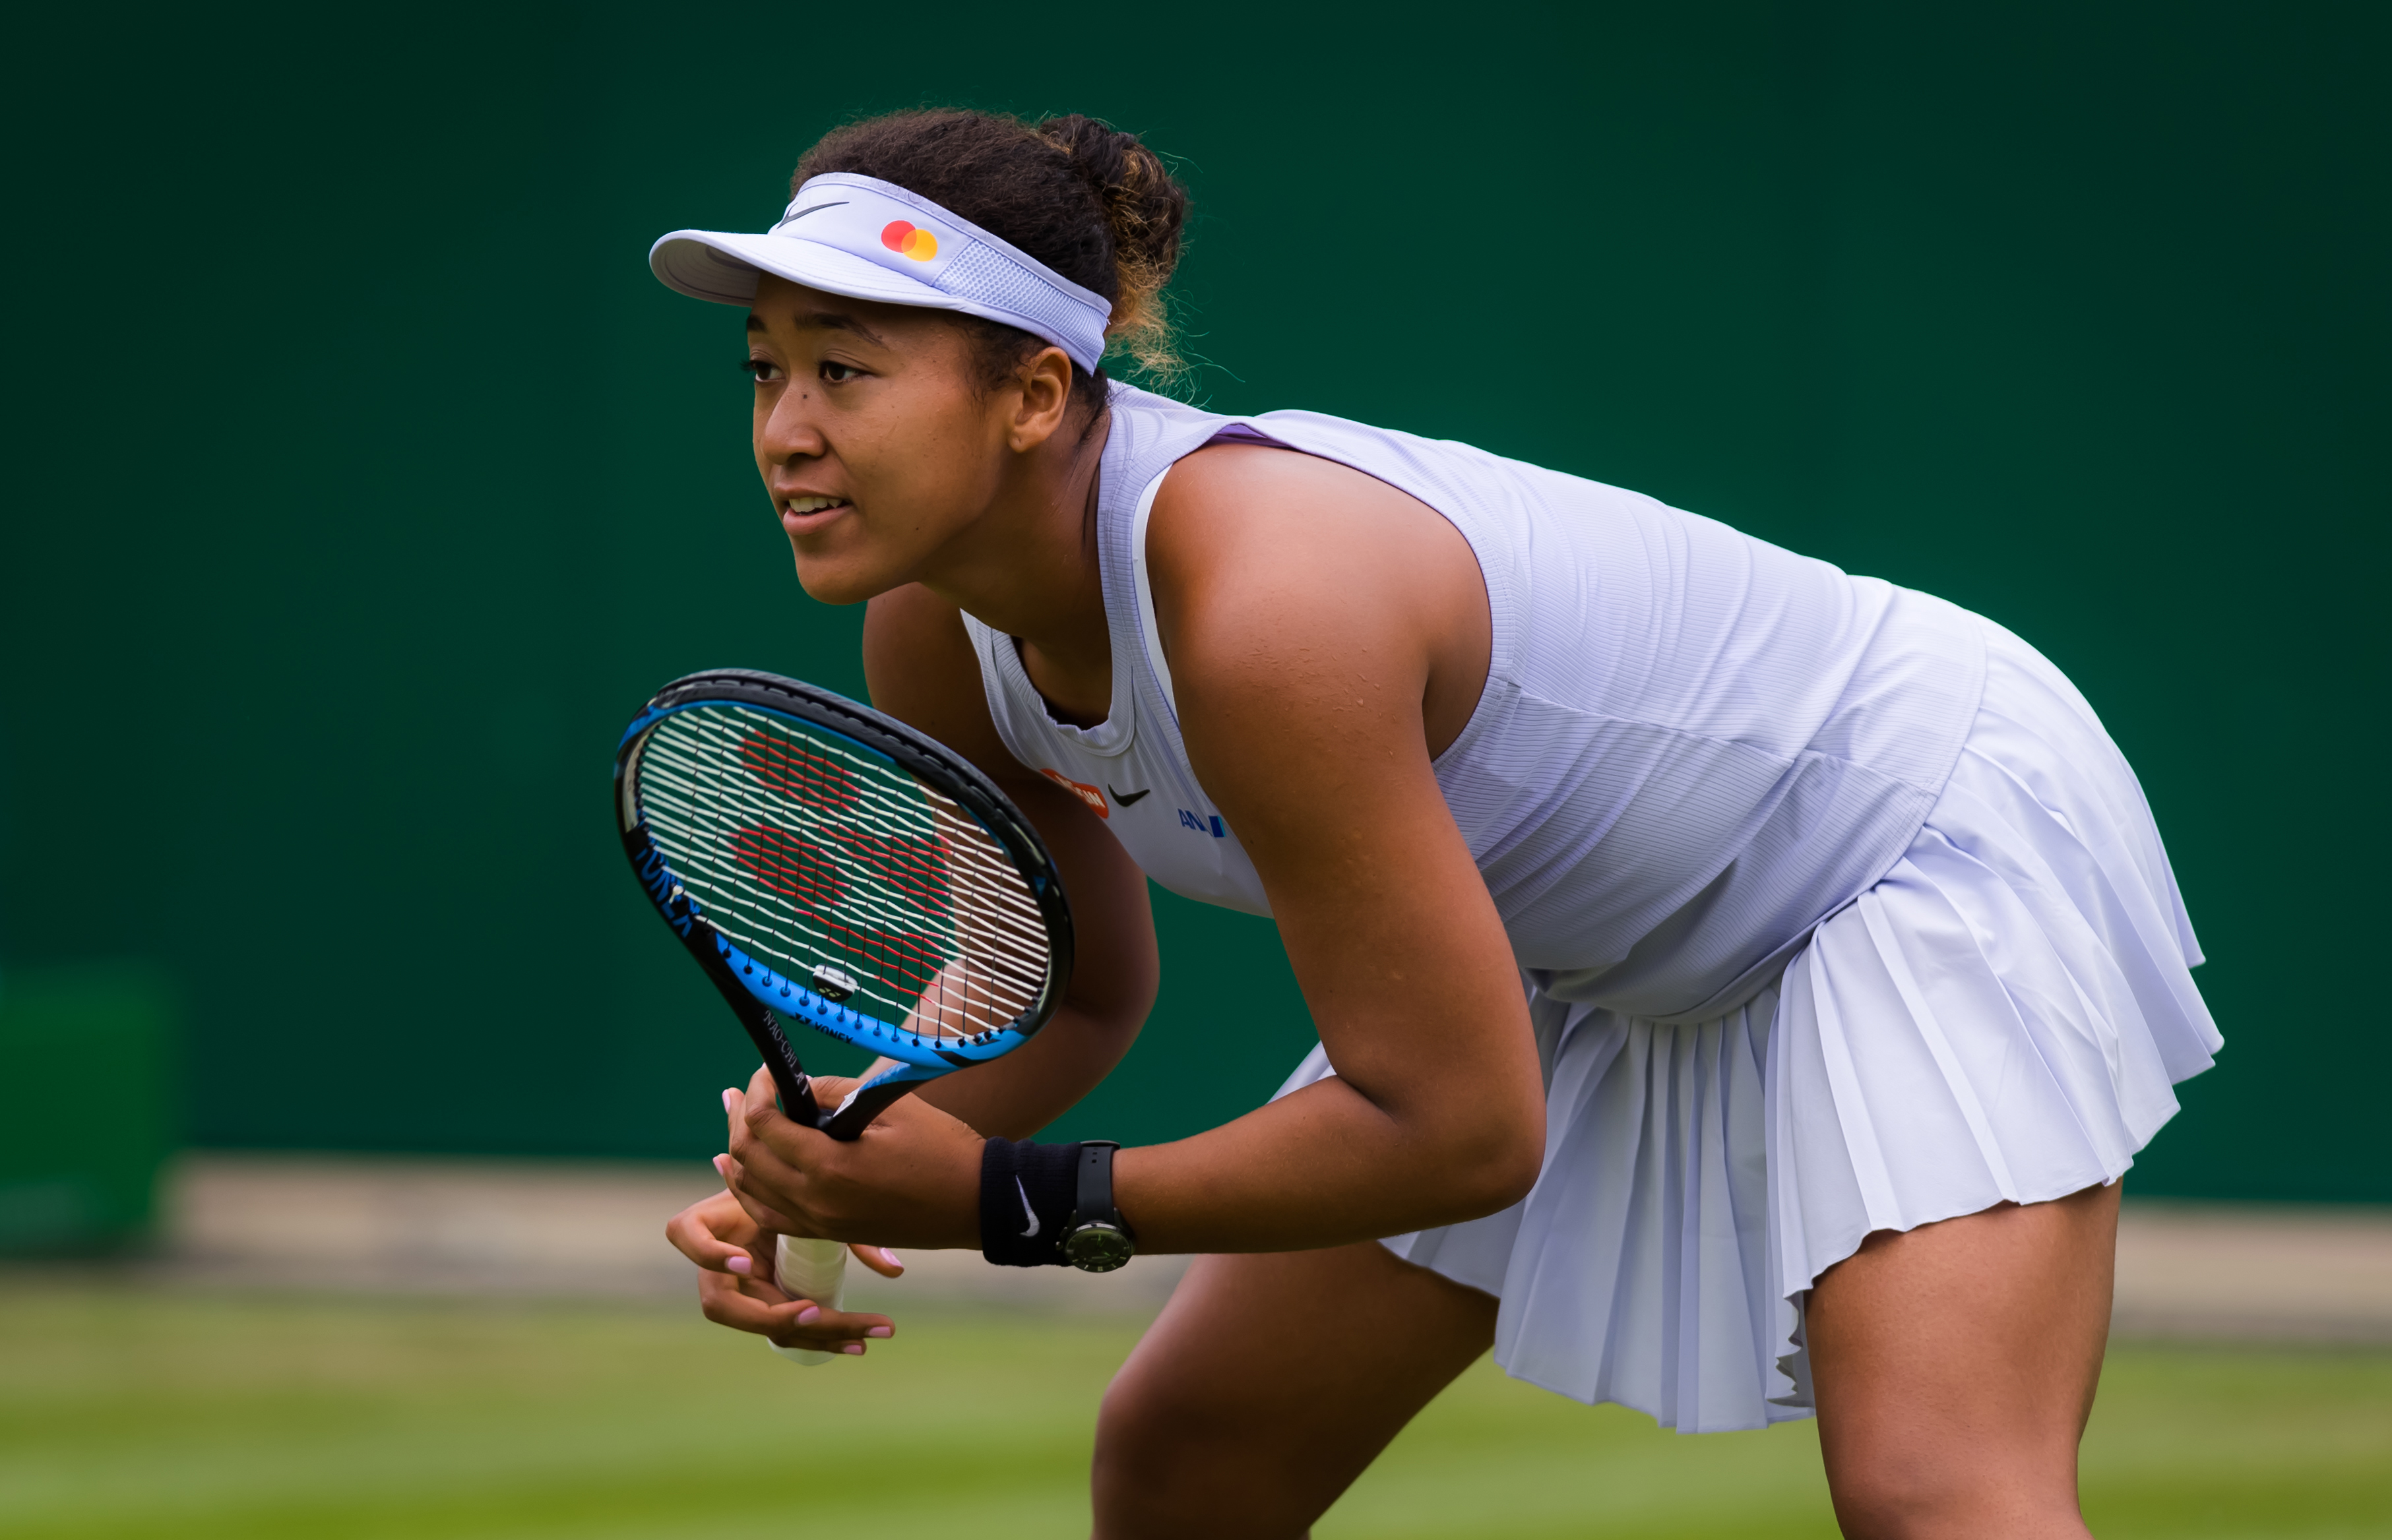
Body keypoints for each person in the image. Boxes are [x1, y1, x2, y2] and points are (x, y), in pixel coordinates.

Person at [653, 108, 2219, 1539]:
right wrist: (846, 1151)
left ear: (1035, 395)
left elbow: (1460, 1129)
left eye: (844, 370)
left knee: (1936, 1497)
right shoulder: (936, 631)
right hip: (1583, 922)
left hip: (1895, 829)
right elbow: (1071, 987)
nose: (784, 429)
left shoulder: (1271, 610)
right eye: (765, 370)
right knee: (1189, 1450)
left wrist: (1006, 1202)